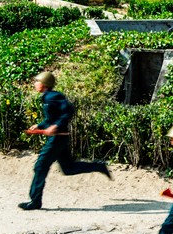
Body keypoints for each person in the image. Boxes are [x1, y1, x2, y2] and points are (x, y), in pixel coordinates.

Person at [18, 72, 111, 211]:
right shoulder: (47, 97)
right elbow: (52, 118)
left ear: (44, 84)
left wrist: (55, 126)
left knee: (40, 166)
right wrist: (40, 125)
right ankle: (98, 166)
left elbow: (69, 111)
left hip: (57, 138)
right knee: (68, 168)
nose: (35, 84)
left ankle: (35, 201)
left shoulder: (54, 96)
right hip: (58, 138)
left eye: (37, 81)